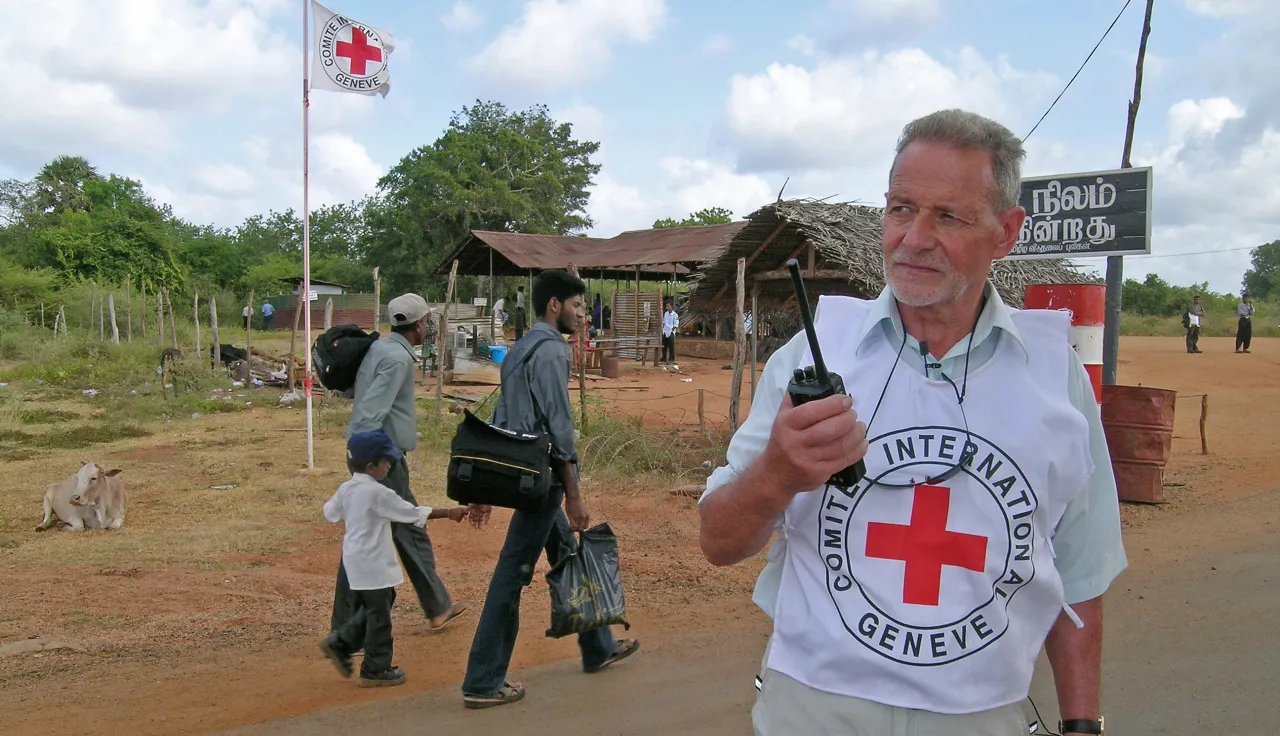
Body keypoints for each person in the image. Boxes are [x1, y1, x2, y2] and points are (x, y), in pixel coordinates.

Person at [699, 110, 1126, 736]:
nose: (914, 237)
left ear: (1005, 232)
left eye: (948, 216)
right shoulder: (811, 361)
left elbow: (1079, 573)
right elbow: (718, 542)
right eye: (901, 208)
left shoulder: (1054, 378)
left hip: (982, 717)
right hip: (813, 712)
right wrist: (776, 475)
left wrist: (1083, 725)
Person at [461, 270, 640, 710]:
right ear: (555, 306)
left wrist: (485, 487)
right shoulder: (553, 352)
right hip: (543, 479)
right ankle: (483, 681)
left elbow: (502, 418)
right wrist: (573, 493)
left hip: (519, 470)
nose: (583, 315)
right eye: (577, 306)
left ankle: (598, 646)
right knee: (512, 574)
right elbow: (559, 428)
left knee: (565, 551)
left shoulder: (518, 350)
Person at [332, 293, 472, 635]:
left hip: (380, 455)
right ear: (420, 325)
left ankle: (437, 606)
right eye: (428, 322)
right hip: (382, 458)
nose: (429, 328)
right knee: (392, 531)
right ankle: (349, 629)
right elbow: (369, 412)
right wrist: (372, 464)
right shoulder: (396, 359)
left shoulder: (382, 349)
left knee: (395, 531)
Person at [320, 429, 469, 687]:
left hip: (354, 561)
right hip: (373, 563)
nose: (391, 466)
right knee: (379, 615)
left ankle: (342, 643)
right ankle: (375, 669)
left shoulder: (347, 489)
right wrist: (449, 512)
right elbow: (410, 513)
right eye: (387, 461)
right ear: (371, 466)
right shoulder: (378, 493)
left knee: (380, 602)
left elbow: (330, 513)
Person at [660, 299, 678, 364]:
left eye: (668, 306)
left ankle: (671, 358)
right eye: (666, 306)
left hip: (670, 332)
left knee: (671, 346)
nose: (666, 307)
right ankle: (664, 358)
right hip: (665, 331)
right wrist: (663, 329)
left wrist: (671, 331)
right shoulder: (666, 313)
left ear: (671, 307)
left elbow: (675, 325)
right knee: (664, 346)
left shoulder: (675, 315)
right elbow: (664, 322)